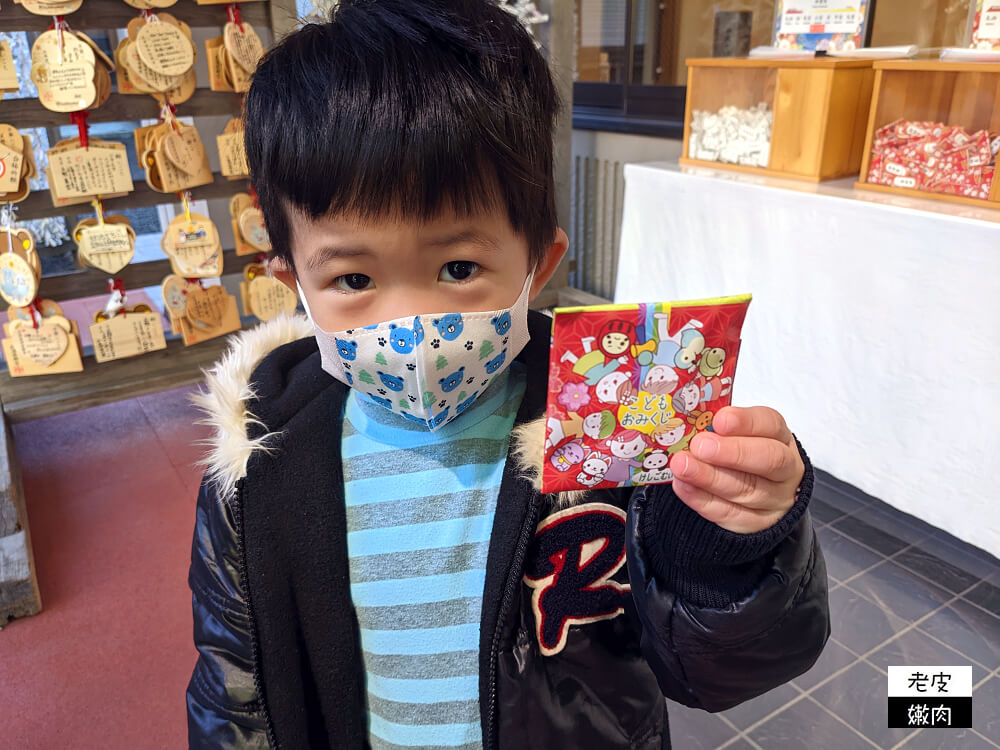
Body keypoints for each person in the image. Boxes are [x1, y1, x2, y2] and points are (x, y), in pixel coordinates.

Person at [185, 1, 830, 748]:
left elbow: (714, 673)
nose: (413, 327)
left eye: (458, 268)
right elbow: (234, 691)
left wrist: (725, 542)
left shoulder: (608, 429)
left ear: (539, 264)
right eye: (355, 279)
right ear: (292, 276)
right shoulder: (259, 462)